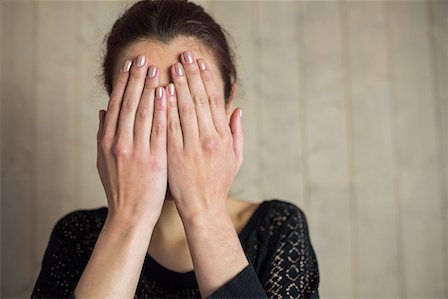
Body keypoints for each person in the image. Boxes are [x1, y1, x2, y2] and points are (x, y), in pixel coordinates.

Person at [31, 0, 320, 298]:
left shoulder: (277, 230)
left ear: (226, 105)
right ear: (115, 111)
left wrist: (204, 213)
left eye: (190, 105)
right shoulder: (76, 237)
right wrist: (129, 218)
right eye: (144, 103)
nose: (165, 130)